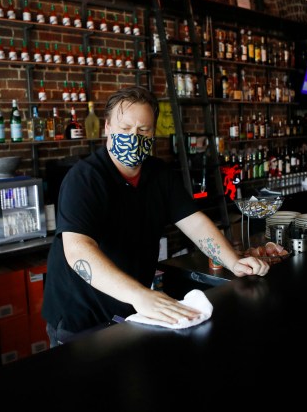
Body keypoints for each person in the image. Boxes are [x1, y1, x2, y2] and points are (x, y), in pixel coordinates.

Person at [41, 85, 270, 347]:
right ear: (107, 128)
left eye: (143, 130)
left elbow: (194, 222)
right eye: (125, 129)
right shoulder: (85, 179)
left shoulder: (159, 175)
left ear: (153, 133)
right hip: (79, 319)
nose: (133, 137)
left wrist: (233, 262)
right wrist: (140, 295)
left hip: (130, 312)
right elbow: (78, 250)